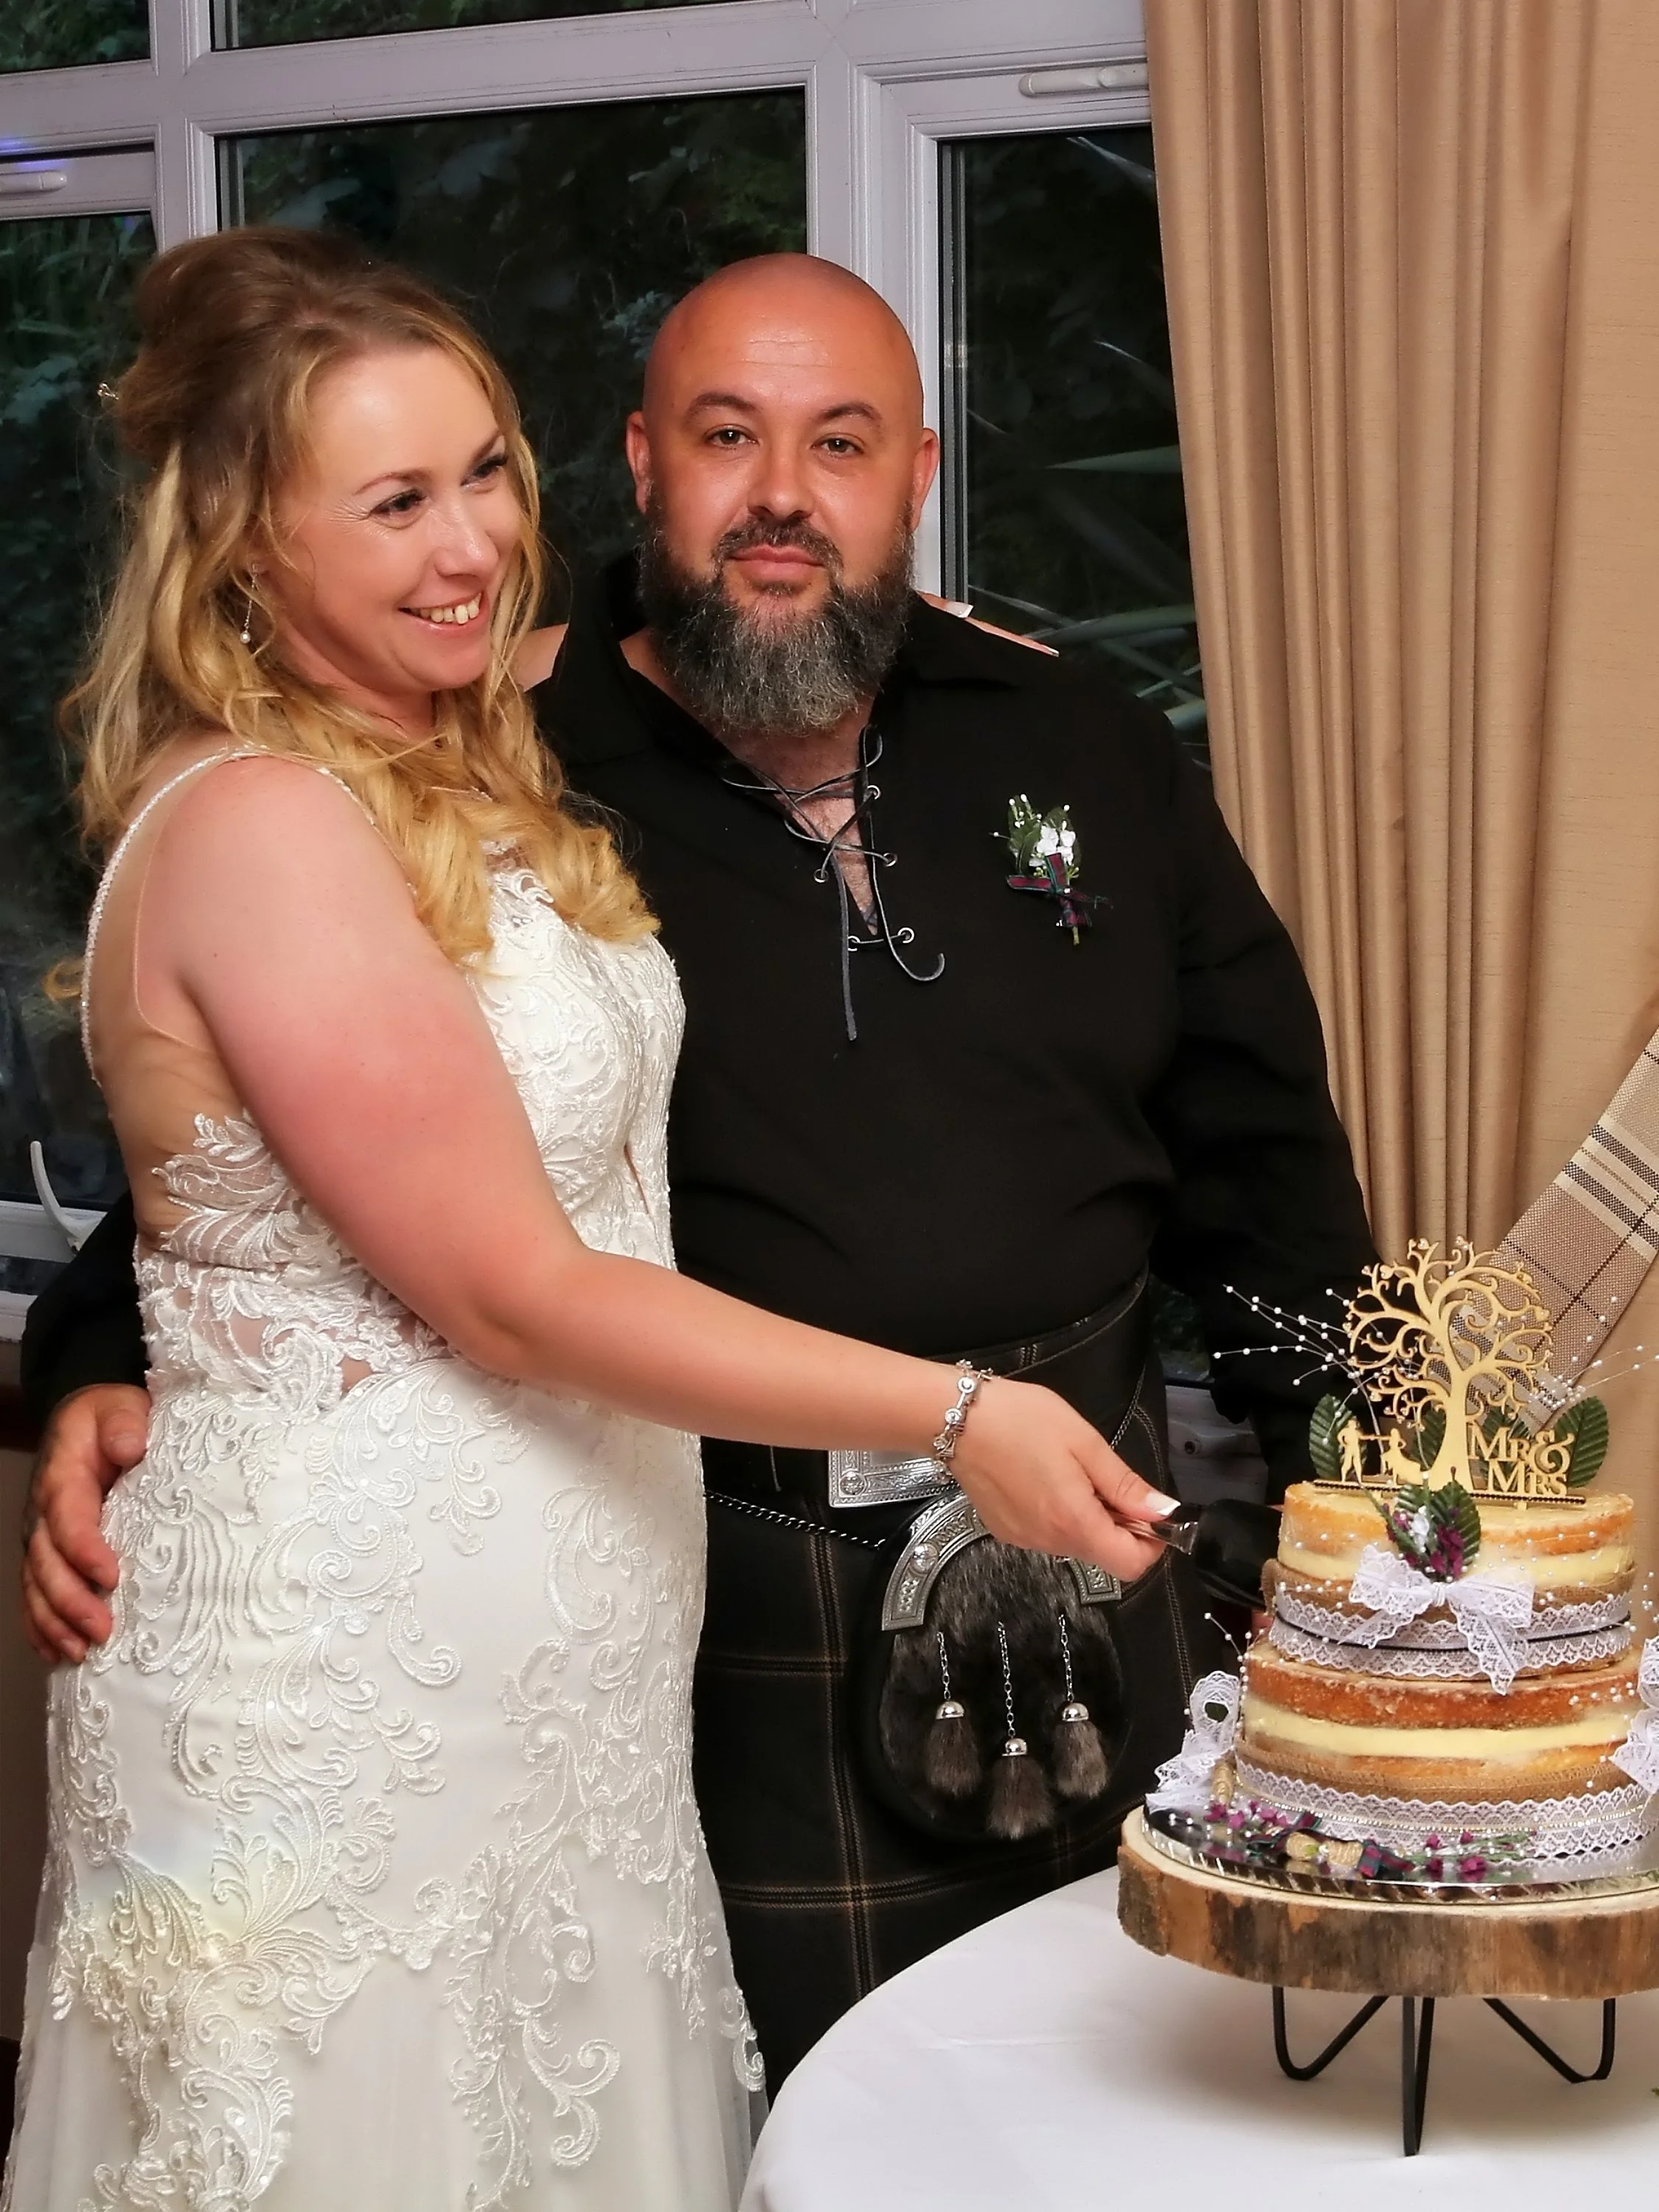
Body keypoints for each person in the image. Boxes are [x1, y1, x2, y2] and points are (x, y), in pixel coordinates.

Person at [21, 252, 1376, 2091]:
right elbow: (295, 1134)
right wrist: (108, 1350)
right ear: (644, 465)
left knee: (1112, 2089)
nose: (782, 499)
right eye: (730, 438)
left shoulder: (1078, 738)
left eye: (840, 444)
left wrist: (1352, 1525)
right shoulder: (498, 746)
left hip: (1087, 1533)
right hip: (722, 1585)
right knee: (763, 2120)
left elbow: (1263, 1148)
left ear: (917, 476)